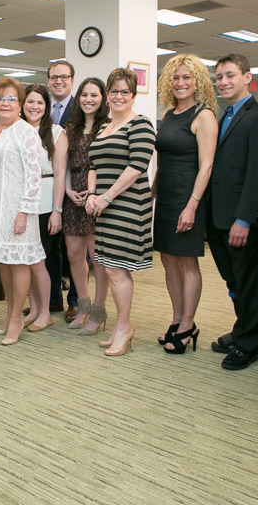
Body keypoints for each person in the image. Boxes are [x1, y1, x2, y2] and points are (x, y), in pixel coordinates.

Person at [208, 54, 258, 371]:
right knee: (232, 279)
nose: (223, 82)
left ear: (248, 77)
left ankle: (250, 341)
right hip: (218, 215)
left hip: (241, 218)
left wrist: (244, 219)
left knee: (248, 280)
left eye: (230, 75)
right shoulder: (224, 115)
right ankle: (246, 330)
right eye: (219, 76)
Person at [85, 68, 155, 356]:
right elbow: (93, 165)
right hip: (104, 204)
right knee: (110, 267)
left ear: (134, 96)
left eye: (125, 91)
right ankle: (120, 326)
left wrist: (106, 197)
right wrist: (91, 194)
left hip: (127, 204)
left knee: (116, 268)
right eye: (114, 91)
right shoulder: (103, 128)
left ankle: (124, 327)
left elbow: (137, 167)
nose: (118, 96)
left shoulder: (140, 124)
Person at [153, 54, 218, 355]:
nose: (180, 83)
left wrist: (192, 205)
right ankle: (177, 318)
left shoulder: (203, 116)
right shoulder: (168, 115)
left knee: (186, 262)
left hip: (187, 197)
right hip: (166, 197)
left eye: (187, 78)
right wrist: (152, 192)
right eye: (176, 78)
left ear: (198, 82)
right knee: (167, 260)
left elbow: (206, 167)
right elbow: (162, 158)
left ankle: (188, 324)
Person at [0, 77, 44, 346]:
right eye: (1, 98)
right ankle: (8, 314)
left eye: (12, 98)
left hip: (18, 209)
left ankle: (17, 317)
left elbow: (33, 175)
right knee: (2, 261)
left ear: (20, 104)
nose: (6, 103)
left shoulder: (26, 131)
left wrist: (24, 211)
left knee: (18, 263)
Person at [63, 78, 111, 335]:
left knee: (97, 258)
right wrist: (69, 190)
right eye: (84, 94)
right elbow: (63, 163)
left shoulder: (108, 127)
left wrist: (95, 193)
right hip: (73, 196)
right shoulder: (71, 128)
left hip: (97, 196)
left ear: (102, 98)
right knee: (74, 255)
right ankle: (82, 305)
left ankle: (99, 309)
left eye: (94, 94)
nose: (88, 99)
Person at [20, 83, 67, 332]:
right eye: (30, 101)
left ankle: (46, 311)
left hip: (45, 201)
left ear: (46, 107)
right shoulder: (16, 130)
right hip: (20, 204)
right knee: (24, 260)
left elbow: (60, 174)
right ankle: (34, 308)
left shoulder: (57, 132)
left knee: (39, 260)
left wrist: (57, 211)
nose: (34, 107)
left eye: (40, 102)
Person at [46, 60, 77, 319]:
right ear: (48, 81)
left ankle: (76, 301)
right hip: (48, 188)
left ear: (72, 81)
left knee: (75, 250)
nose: (59, 81)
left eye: (64, 77)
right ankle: (52, 298)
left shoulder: (83, 108)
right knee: (50, 247)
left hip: (75, 188)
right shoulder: (39, 110)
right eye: (55, 77)